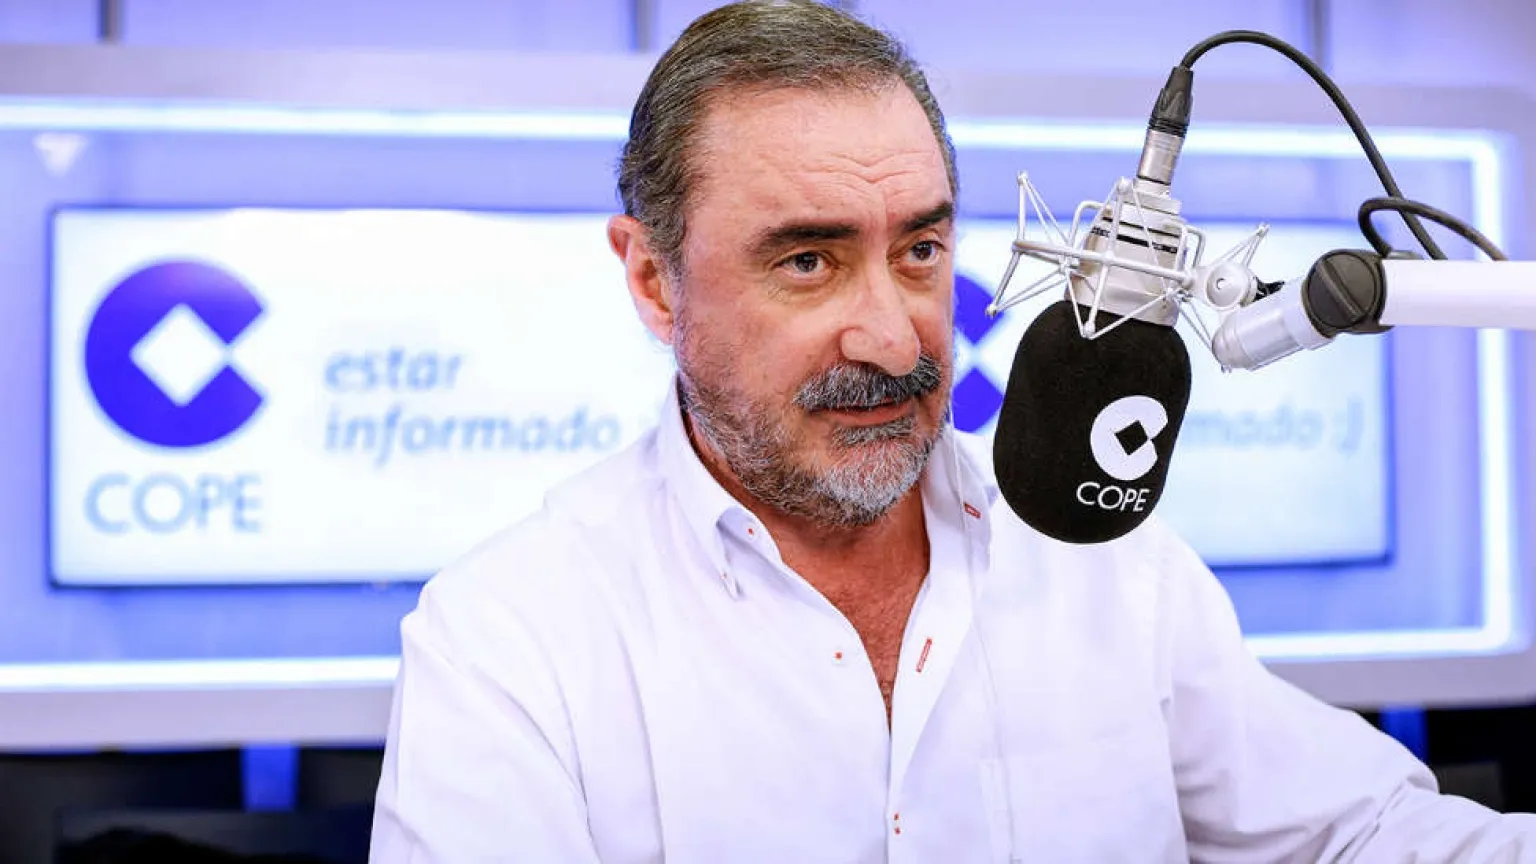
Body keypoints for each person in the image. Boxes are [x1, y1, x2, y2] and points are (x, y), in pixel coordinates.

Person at [370, 2, 1536, 861]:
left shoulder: (1104, 562)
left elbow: (1368, 833)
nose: (894, 335)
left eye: (921, 249)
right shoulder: (510, 641)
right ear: (652, 279)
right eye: (809, 260)